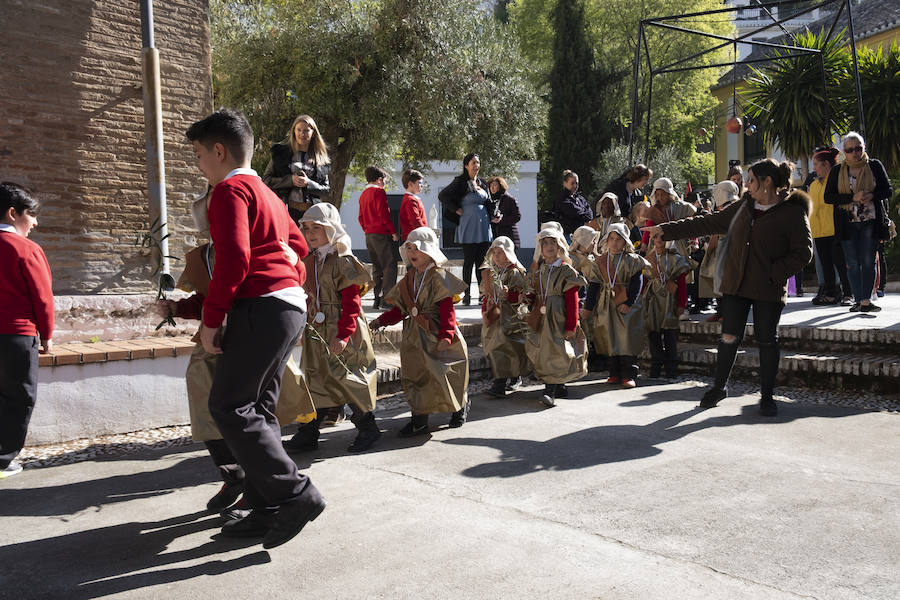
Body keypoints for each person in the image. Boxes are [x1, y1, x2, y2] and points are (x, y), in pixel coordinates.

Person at [185, 109, 326, 549]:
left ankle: (296, 494)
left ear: (219, 150)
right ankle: (268, 505)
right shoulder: (266, 191)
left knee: (230, 406)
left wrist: (212, 320)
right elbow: (299, 245)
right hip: (285, 306)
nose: (198, 164)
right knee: (258, 410)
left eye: (198, 154)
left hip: (261, 306)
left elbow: (234, 260)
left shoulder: (229, 190)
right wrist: (290, 281)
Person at [155, 188, 312, 520]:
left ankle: (283, 492)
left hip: (248, 331)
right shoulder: (202, 257)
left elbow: (292, 258)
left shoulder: (256, 245)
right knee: (211, 410)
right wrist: (177, 308)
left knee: (243, 409)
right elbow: (208, 295)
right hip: (216, 338)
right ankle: (243, 481)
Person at [644, 158, 813, 416]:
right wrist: (664, 230)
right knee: (728, 337)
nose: (746, 185)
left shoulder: (792, 212)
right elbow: (706, 223)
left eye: (751, 180)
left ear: (767, 182)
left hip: (768, 288)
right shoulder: (743, 207)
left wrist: (774, 273)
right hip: (737, 285)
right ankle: (719, 387)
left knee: (768, 341)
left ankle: (767, 396)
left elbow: (803, 253)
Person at [282, 203, 381, 454]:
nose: (311, 233)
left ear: (331, 229)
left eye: (317, 227)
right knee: (317, 378)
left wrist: (344, 334)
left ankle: (368, 427)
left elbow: (352, 303)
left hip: (341, 328)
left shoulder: (343, 261)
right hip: (317, 329)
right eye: (307, 228)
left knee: (348, 378)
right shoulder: (309, 260)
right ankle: (309, 432)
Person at [370, 227, 470, 436]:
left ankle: (459, 406)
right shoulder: (409, 279)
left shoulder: (439, 277)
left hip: (436, 332)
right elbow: (401, 310)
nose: (412, 253)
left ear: (430, 251)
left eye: (418, 249)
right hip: (414, 337)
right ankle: (419, 419)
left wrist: (447, 335)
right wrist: (381, 321)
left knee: (443, 374)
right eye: (409, 248)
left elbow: (447, 310)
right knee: (416, 375)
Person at [0, 183, 53, 479]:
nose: (35, 222)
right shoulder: (27, 249)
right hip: (17, 335)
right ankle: (3, 459)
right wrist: (47, 334)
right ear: (12, 213)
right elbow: (42, 297)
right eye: (31, 214)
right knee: (20, 396)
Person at [824, 132, 893, 313]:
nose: (855, 152)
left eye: (858, 148)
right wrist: (852, 197)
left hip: (870, 221)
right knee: (852, 263)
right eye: (850, 149)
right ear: (844, 152)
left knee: (868, 261)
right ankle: (857, 298)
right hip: (847, 223)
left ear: (864, 148)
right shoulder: (837, 171)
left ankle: (865, 300)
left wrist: (872, 195)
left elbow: (888, 190)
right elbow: (828, 197)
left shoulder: (874, 165)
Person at [524, 226, 587, 407]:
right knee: (546, 350)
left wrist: (571, 325)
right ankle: (555, 385)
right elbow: (532, 293)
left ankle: (552, 388)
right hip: (542, 317)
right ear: (540, 249)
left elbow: (572, 300)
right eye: (545, 243)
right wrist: (526, 301)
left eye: (553, 242)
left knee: (559, 349)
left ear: (559, 245)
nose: (549, 246)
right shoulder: (540, 270)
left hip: (559, 316)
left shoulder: (566, 270)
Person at [581, 223, 648, 389]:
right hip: (606, 304)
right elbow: (595, 285)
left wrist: (629, 302)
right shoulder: (600, 261)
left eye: (619, 239)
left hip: (626, 304)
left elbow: (636, 283)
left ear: (625, 241)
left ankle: (629, 374)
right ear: (606, 240)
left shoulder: (632, 260)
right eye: (611, 238)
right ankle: (614, 373)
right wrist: (588, 308)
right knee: (610, 337)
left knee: (626, 338)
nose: (614, 242)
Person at [438, 153, 493, 305]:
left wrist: (494, 215)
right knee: (469, 261)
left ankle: (483, 294)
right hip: (468, 225)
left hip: (483, 225)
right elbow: (443, 196)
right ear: (466, 165)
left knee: (482, 262)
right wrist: (455, 209)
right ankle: (467, 294)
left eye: (478, 162)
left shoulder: (482, 182)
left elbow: (488, 202)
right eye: (473, 162)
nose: (476, 165)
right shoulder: (460, 182)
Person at [480, 236, 529, 398]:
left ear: (508, 253)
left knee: (510, 348)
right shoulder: (491, 273)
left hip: (510, 318)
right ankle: (503, 380)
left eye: (500, 252)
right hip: (495, 317)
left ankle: (501, 383)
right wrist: (485, 310)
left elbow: (524, 295)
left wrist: (510, 296)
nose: (497, 256)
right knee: (496, 348)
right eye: (494, 252)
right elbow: (486, 294)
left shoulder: (514, 273)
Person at [643, 230, 696, 380]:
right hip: (652, 300)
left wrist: (681, 304)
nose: (658, 239)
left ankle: (671, 366)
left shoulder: (677, 259)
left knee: (670, 334)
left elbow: (682, 284)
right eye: (655, 237)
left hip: (670, 301)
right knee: (653, 333)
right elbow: (645, 282)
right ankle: (656, 363)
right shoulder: (648, 259)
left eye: (662, 237)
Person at [262, 114, 331, 222]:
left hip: (312, 214)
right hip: (285, 211)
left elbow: (326, 190)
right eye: (298, 130)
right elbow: (266, 180)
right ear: (293, 131)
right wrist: (290, 180)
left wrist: (308, 183)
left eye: (306, 131)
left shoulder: (321, 158)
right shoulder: (280, 154)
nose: (302, 134)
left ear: (313, 133)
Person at [809, 147, 852, 306]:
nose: (814, 168)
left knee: (841, 264)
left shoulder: (837, 181)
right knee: (826, 264)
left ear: (826, 164)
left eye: (816, 164)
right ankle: (831, 294)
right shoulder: (813, 184)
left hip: (834, 229)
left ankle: (848, 294)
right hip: (818, 231)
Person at [698, 180, 739, 322]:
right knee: (721, 283)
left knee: (722, 282)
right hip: (730, 251)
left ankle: (724, 313)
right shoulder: (738, 208)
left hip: (725, 252)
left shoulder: (727, 211)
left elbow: (716, 234)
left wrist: (710, 250)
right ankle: (721, 312)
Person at [358, 165, 398, 310]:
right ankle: (388, 299)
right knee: (389, 265)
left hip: (369, 234)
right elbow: (384, 215)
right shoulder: (379, 192)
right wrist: (393, 232)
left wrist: (367, 229)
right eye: (384, 181)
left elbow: (360, 217)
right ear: (380, 180)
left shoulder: (363, 194)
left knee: (377, 267)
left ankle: (377, 298)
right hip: (381, 233)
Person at [554, 170, 593, 240]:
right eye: (572, 183)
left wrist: (583, 214)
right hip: (568, 237)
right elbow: (575, 212)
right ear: (565, 183)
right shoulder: (562, 199)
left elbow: (590, 215)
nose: (575, 186)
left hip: (581, 236)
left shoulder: (580, 198)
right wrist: (584, 213)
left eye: (577, 183)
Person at [487, 176, 522, 248]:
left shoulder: (509, 199)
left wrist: (501, 220)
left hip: (509, 237)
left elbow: (517, 217)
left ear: (500, 186)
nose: (492, 188)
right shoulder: (490, 201)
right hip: (496, 238)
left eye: (494, 185)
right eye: (490, 186)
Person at [399, 169, 428, 242]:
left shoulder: (412, 199)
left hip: (416, 237)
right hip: (414, 239)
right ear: (410, 184)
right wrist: (425, 234)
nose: (422, 185)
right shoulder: (410, 200)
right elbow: (415, 220)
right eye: (420, 183)